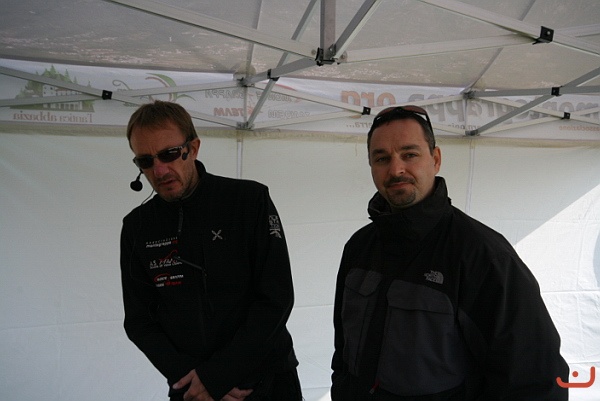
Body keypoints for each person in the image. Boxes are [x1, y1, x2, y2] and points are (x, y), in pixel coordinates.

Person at [331, 105, 569, 401]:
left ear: (436, 159)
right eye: (382, 159)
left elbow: (535, 380)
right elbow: (343, 351)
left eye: (409, 154)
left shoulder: (483, 255)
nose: (396, 169)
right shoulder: (359, 246)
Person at [120, 100, 302, 401]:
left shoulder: (248, 200)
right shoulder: (137, 226)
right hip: (191, 387)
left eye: (169, 154)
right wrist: (194, 381)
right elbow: (140, 321)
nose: (159, 170)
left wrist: (218, 376)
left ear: (193, 148)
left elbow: (276, 297)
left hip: (265, 382)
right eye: (145, 161)